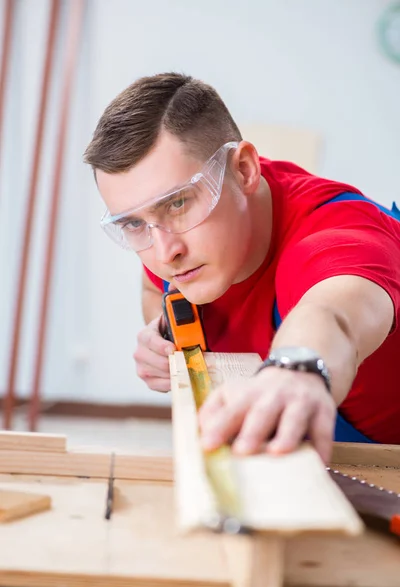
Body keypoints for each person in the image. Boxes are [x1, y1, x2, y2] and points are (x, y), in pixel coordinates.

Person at [84, 72, 400, 464]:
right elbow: (154, 289)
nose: (165, 253)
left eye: (178, 203)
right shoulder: (180, 242)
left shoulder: (338, 231)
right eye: (133, 223)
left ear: (245, 170)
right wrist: (164, 334)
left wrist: (296, 368)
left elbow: (333, 313)